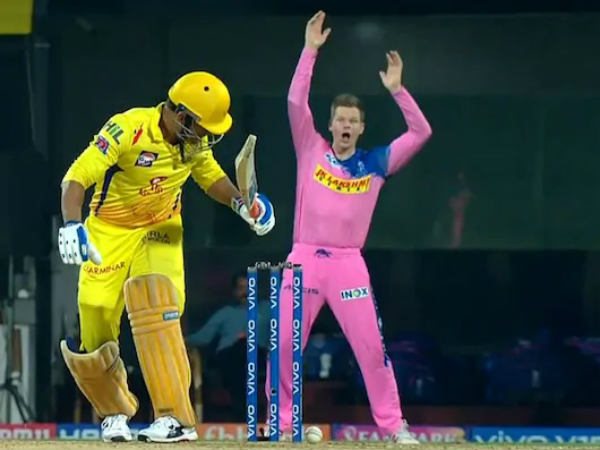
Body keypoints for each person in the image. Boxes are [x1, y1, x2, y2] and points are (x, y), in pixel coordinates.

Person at [57, 71, 275, 443]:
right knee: (94, 311)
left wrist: (241, 204)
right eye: (202, 127)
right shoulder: (128, 129)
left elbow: (209, 175)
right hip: (110, 228)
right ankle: (114, 412)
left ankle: (175, 418)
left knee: (160, 308)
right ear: (182, 115)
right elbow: (76, 176)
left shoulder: (193, 143)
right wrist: (71, 225)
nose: (205, 137)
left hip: (161, 227)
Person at [267, 11, 432, 444]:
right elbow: (295, 102)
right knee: (283, 343)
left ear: (361, 128)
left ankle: (394, 426)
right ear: (331, 124)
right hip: (303, 259)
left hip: (347, 266)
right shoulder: (311, 147)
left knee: (372, 350)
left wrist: (397, 91)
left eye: (352, 121)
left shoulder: (376, 162)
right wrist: (309, 51)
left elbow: (420, 132)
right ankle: (282, 424)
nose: (345, 126)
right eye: (339, 119)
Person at [186, 271, 268, 420]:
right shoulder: (226, 313)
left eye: (249, 288)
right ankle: (242, 413)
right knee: (237, 354)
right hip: (228, 357)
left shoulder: (268, 310)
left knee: (246, 350)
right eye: (241, 288)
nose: (246, 292)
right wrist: (179, 340)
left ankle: (244, 413)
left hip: (259, 356)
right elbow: (203, 337)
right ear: (235, 292)